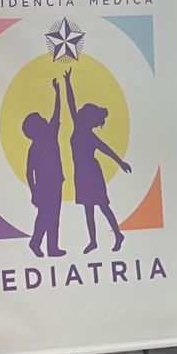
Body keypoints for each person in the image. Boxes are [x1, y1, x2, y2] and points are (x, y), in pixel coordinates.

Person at [65, 68, 132, 253]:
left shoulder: (89, 136)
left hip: (92, 173)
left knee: (103, 206)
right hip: (80, 173)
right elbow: (70, 103)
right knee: (88, 209)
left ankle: (118, 234)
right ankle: (93, 241)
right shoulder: (78, 127)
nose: (78, 112)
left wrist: (121, 163)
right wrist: (67, 82)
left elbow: (106, 150)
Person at [23, 80, 67, 258]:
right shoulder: (35, 146)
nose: (45, 119)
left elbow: (57, 113)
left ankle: (49, 246)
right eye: (41, 119)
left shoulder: (50, 134)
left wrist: (58, 92)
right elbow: (29, 172)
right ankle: (39, 244)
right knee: (46, 216)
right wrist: (34, 192)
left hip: (55, 182)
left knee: (51, 216)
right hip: (44, 186)